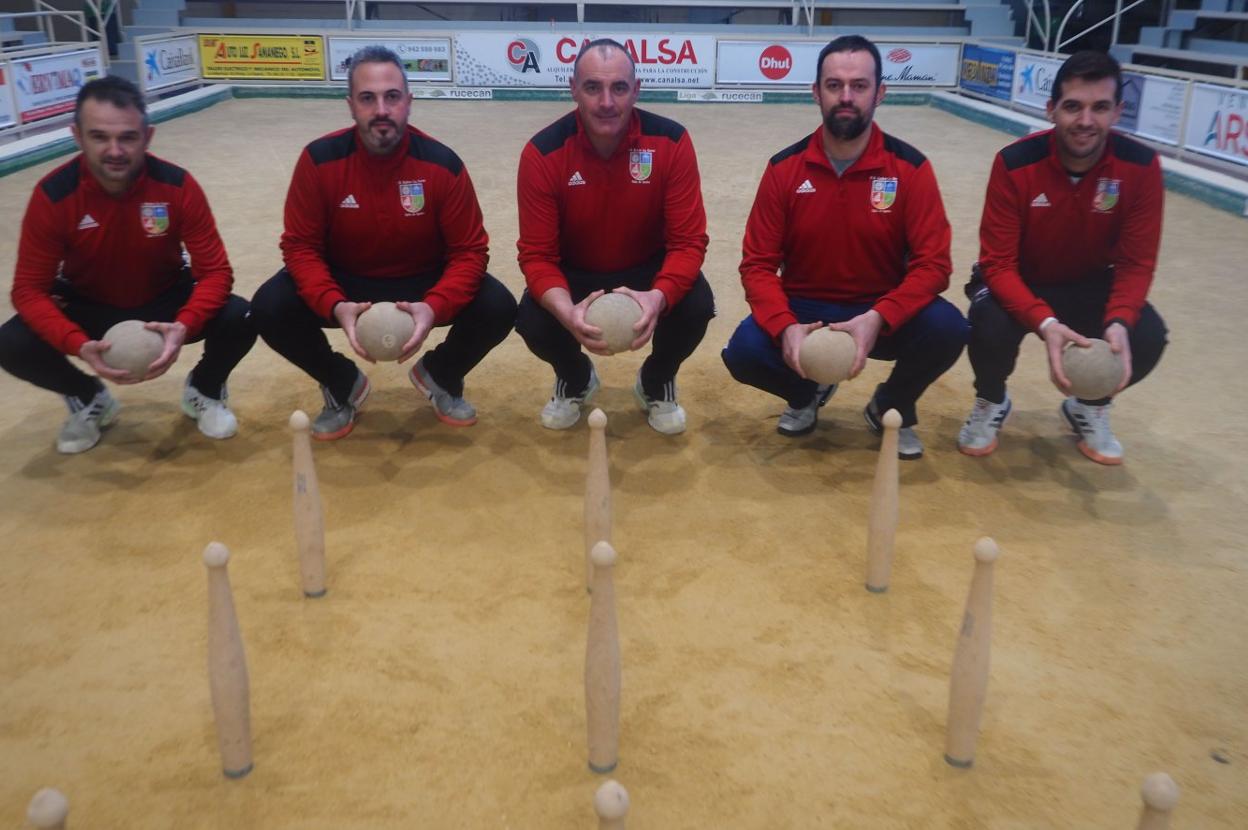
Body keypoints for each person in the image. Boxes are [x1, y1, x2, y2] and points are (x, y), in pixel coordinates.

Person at [250, 46, 516, 440]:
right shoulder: (318, 160)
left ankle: (441, 374)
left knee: (499, 306)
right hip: (345, 282)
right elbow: (301, 247)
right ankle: (341, 383)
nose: (381, 110)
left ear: (408, 102)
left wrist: (434, 306)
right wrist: (334, 304)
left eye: (392, 96)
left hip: (422, 281)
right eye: (367, 98)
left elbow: (469, 252)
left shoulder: (443, 164)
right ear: (350, 105)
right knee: (268, 307)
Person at [721, 35, 967, 459]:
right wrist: (786, 327)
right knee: (743, 353)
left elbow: (934, 265)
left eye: (860, 85)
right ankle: (807, 393)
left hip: (880, 310)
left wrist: (879, 317)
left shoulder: (911, 168)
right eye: (834, 85)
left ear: (880, 92)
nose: (847, 96)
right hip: (805, 309)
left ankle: (890, 404)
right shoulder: (784, 169)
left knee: (950, 328)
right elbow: (757, 265)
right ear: (816, 92)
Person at [0, 76, 255, 454]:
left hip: (164, 299)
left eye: (128, 137)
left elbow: (215, 272)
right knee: (11, 343)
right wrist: (77, 344)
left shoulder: (177, 186)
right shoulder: (53, 196)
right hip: (87, 304)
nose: (115, 150)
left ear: (148, 137)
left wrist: (184, 326)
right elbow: (28, 290)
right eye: (99, 137)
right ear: (77, 135)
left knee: (242, 316)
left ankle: (204, 389)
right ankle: (87, 397)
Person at [958, 50, 1167, 466]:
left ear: (1118, 112)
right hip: (1020, 279)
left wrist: (1119, 320)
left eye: (1100, 107)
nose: (1086, 120)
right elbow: (997, 263)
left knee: (1145, 335)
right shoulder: (1014, 163)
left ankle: (1090, 405)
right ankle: (991, 400)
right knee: (986, 321)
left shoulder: (1141, 167)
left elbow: (1136, 263)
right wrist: (1045, 322)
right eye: (1073, 107)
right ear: (1051, 108)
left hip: (1090, 282)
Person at [515, 38, 713, 435]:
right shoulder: (541, 153)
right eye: (593, 87)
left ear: (636, 90)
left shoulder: (672, 142)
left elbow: (688, 242)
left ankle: (656, 381)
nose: (606, 102)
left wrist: (658, 297)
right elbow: (537, 256)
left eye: (619, 88)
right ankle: (575, 377)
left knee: (696, 305)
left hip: (647, 267)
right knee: (532, 320)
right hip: (576, 272)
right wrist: (566, 312)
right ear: (573, 89)